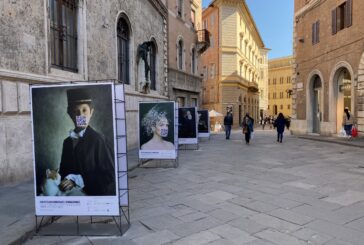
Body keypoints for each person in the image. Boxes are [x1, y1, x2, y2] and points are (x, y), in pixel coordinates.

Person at [59, 88, 116, 196]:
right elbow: (63, 171)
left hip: (94, 195)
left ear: (91, 113)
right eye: (76, 111)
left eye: (84, 110)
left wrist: (78, 180)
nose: (81, 116)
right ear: (69, 113)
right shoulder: (67, 142)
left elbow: (109, 176)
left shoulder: (98, 140)